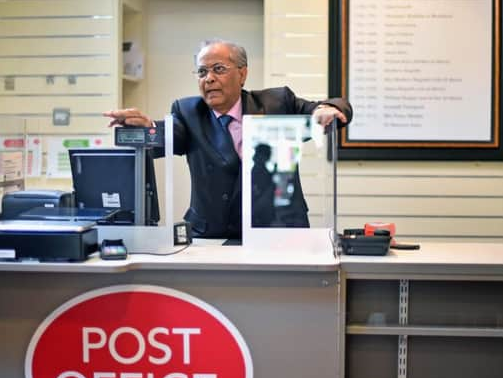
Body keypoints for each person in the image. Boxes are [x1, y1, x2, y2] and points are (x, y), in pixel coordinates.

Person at [104, 38, 352, 239]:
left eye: (218, 69)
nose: (209, 78)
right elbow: (166, 137)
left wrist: (324, 109)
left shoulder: (277, 102)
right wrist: (146, 128)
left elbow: (331, 107)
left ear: (242, 74)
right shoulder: (188, 112)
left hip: (278, 231)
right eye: (202, 72)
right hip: (212, 236)